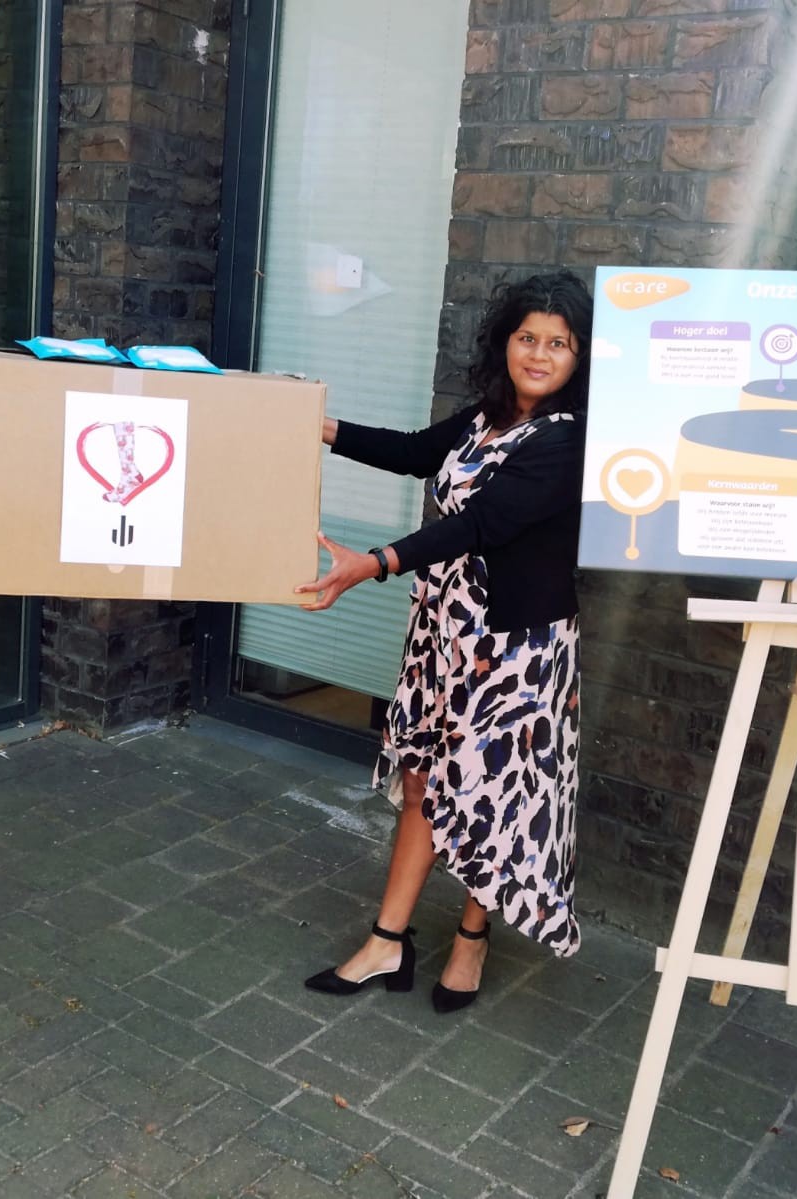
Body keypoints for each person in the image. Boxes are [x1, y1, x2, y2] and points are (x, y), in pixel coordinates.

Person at [297, 271, 592, 1013]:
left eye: (558, 343)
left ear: (580, 356)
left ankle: (471, 935)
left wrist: (375, 562)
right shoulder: (488, 416)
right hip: (445, 631)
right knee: (424, 781)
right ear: (506, 343)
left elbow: (482, 524)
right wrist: (313, 426)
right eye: (527, 337)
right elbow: (413, 451)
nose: (538, 354)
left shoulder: (567, 439)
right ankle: (387, 940)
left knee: (487, 794)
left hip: (515, 649)